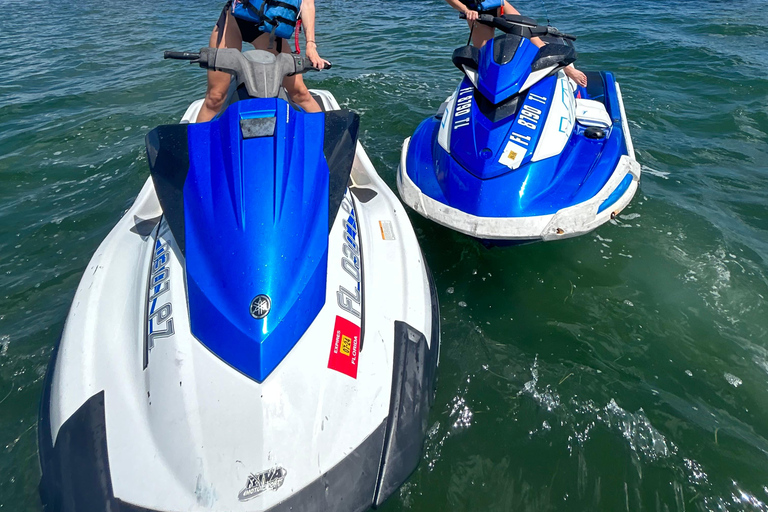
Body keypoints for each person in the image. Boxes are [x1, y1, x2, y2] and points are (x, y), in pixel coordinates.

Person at [197, 0, 329, 123]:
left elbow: (306, 4)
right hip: (234, 21)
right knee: (215, 97)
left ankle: (324, 139)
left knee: (300, 92)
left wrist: (311, 45)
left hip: (267, 28)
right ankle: (196, 144)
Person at [445, 0, 588, 87]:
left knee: (533, 38)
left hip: (499, 5)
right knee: (484, 58)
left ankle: (568, 69)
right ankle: (489, 94)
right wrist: (465, 10)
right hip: (476, 12)